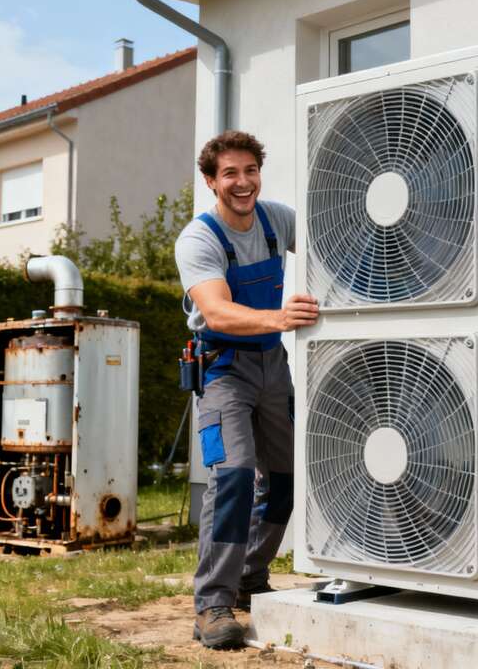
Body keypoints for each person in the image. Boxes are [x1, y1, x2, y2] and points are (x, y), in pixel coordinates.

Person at [174, 130, 319, 649]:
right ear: (211, 181)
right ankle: (213, 602)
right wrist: (281, 315)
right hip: (223, 370)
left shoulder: (276, 219)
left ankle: (249, 578)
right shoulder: (200, 238)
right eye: (229, 174)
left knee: (284, 477)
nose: (242, 183)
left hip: (272, 366)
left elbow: (333, 236)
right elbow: (215, 309)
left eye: (250, 171)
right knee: (233, 475)